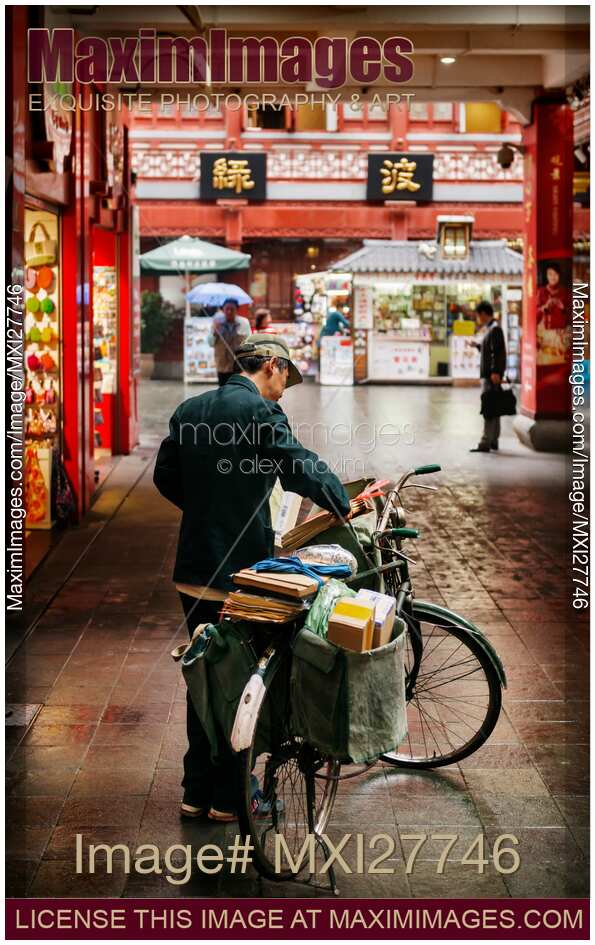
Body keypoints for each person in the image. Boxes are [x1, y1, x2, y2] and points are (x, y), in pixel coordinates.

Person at [153, 333, 351, 822]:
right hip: (240, 575)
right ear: (269, 365)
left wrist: (205, 510)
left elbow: (164, 475)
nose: (285, 389)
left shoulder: (190, 409)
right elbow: (297, 466)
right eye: (286, 376)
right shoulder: (261, 414)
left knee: (204, 673)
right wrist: (341, 501)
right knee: (238, 682)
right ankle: (231, 798)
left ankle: (196, 791)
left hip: (193, 571)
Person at [469, 301, 507, 453]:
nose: (478, 319)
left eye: (478, 316)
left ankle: (486, 441)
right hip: (491, 374)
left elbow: (497, 353)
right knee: (494, 407)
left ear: (484, 314)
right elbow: (490, 350)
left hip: (491, 376)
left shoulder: (495, 329)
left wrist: (496, 372)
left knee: (488, 408)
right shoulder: (491, 328)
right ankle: (493, 440)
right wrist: (477, 346)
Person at [207, 298, 251, 386]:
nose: (229, 312)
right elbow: (210, 343)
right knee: (223, 390)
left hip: (238, 365)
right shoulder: (217, 323)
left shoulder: (244, 323)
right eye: (227, 309)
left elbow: (249, 343)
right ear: (223, 310)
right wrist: (214, 332)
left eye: (232, 309)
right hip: (222, 365)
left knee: (236, 390)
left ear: (237, 310)